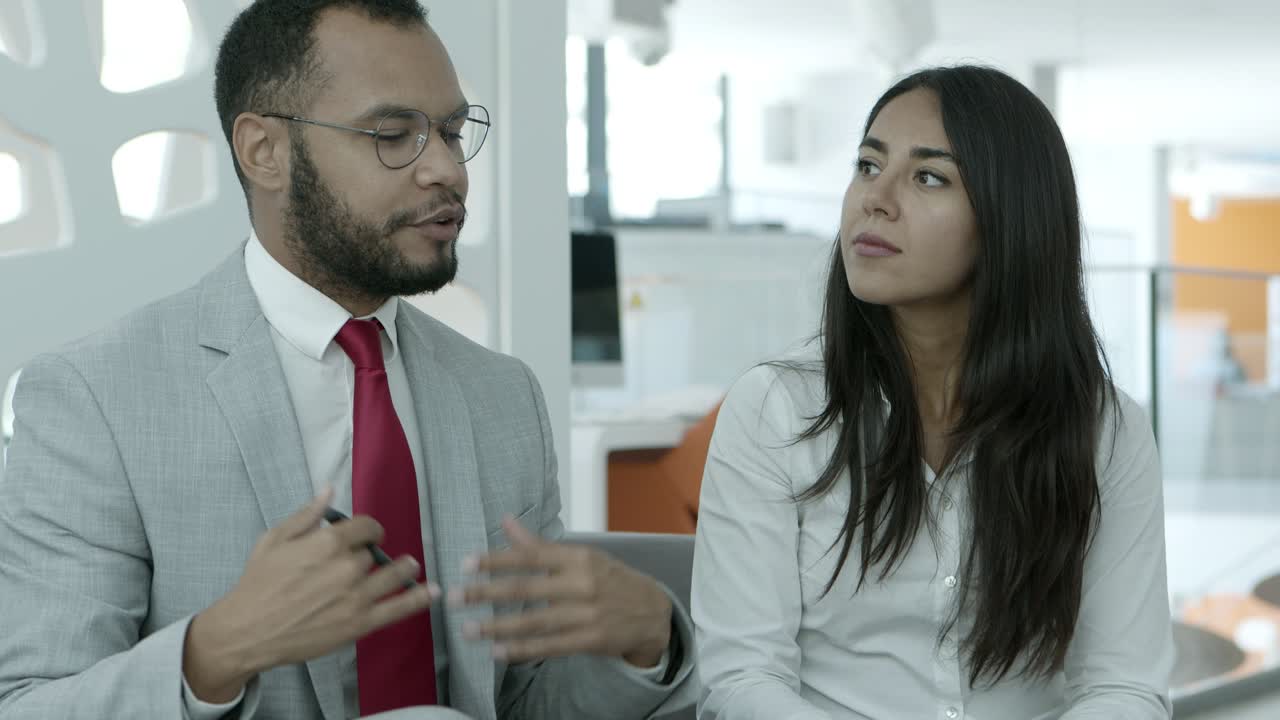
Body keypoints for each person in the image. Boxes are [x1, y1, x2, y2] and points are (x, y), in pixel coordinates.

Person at [0, 1, 693, 718]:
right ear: (263, 151)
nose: (447, 171)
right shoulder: (96, 397)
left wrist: (647, 645)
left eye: (453, 133)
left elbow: (524, 702)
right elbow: (31, 705)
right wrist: (214, 654)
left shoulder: (502, 396)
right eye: (395, 135)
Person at [691, 65, 1173, 719]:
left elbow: (1123, 685)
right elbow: (743, 679)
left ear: (1008, 217)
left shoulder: (1103, 430)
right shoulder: (776, 409)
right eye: (868, 165)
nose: (875, 199)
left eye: (928, 177)